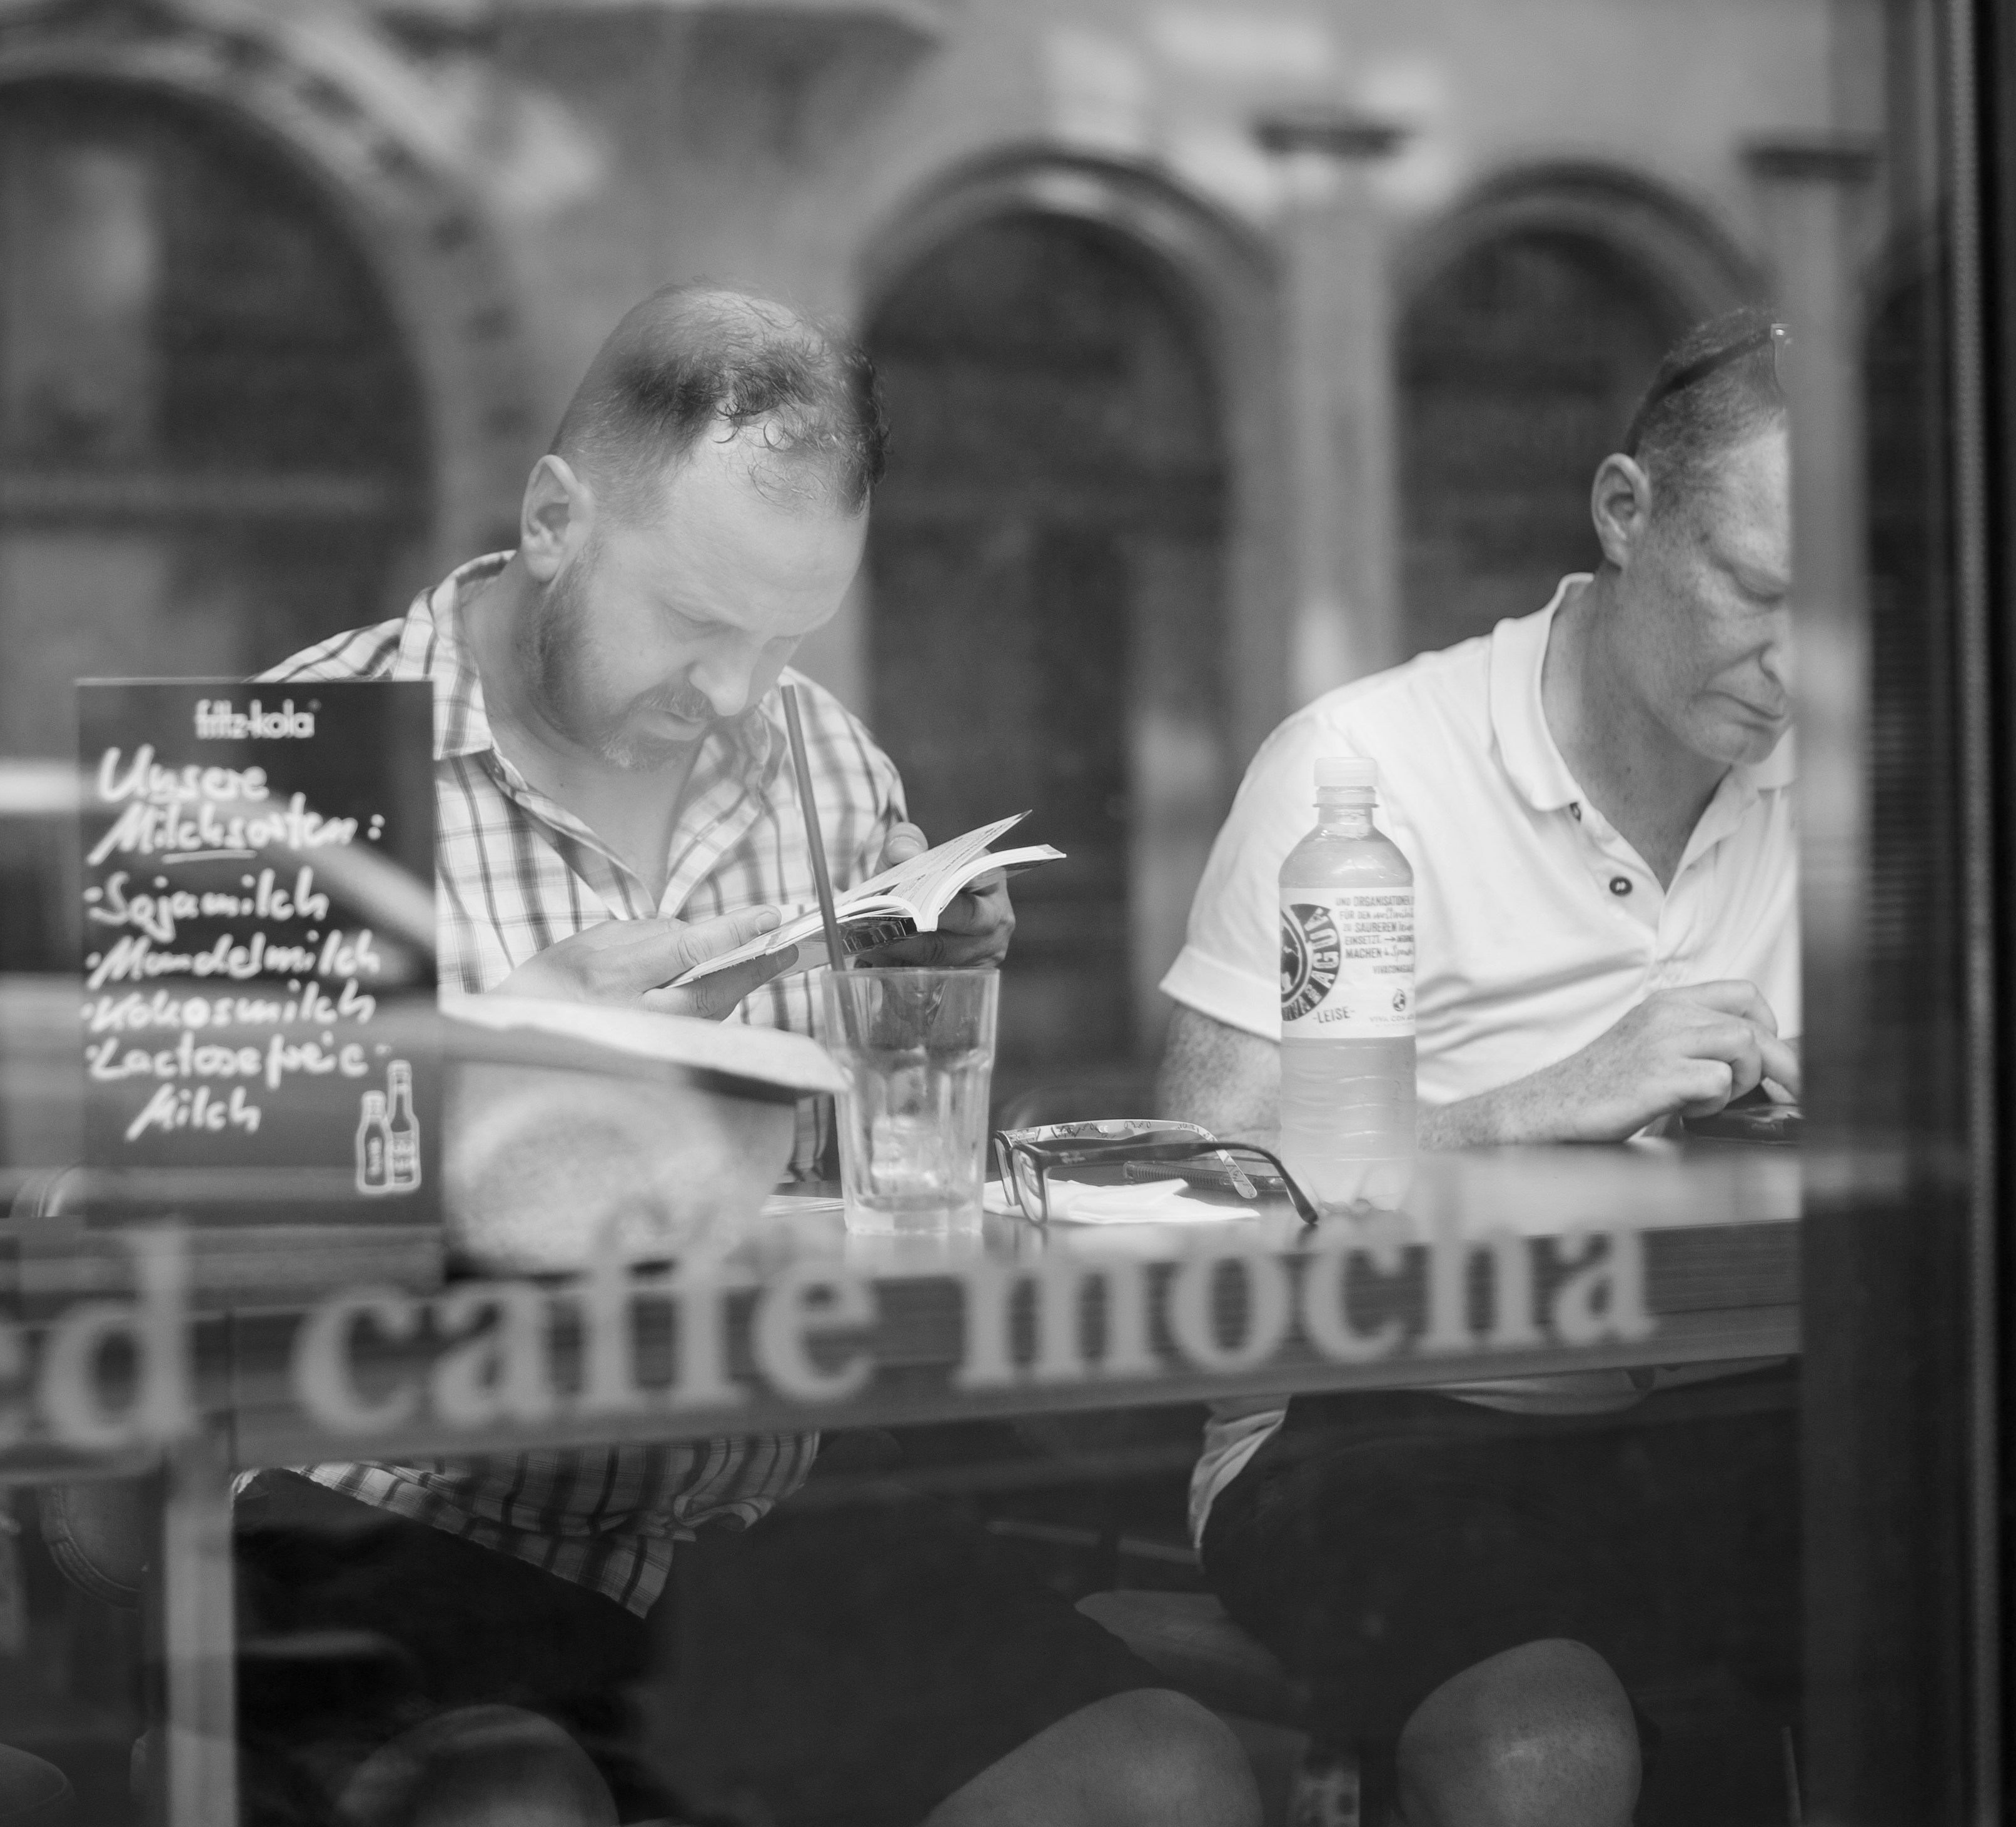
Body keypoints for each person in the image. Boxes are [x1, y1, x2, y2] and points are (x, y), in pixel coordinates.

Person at [242, 282, 1262, 1827]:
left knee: (1160, 1777)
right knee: (506, 1809)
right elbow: (161, 1252)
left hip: (753, 1525)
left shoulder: (825, 755)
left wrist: (919, 1014)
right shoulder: (286, 769)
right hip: (395, 1523)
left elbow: (864, 1191)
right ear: (554, 518)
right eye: (702, 623)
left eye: (786, 637)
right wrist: (489, 1078)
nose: (735, 697)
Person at [1156, 311, 1805, 1826]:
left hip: (1749, 1403)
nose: (1793, 665)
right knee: (1544, 1742)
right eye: (1759, 593)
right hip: (1388, 1415)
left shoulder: (1863, 782)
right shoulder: (1365, 772)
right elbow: (1196, 1177)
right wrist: (1541, 1105)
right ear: (1625, 513)